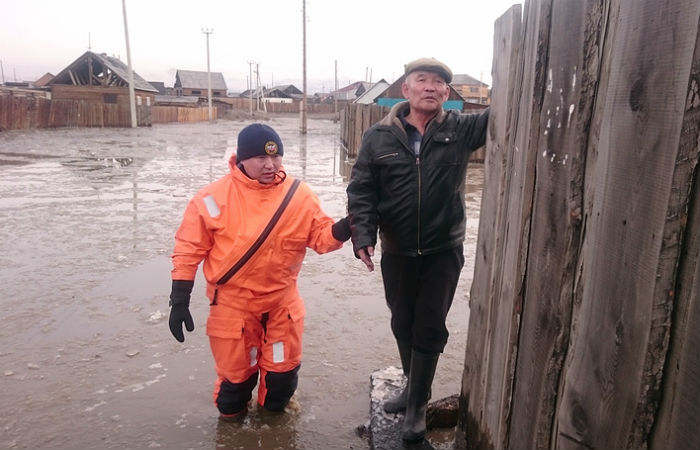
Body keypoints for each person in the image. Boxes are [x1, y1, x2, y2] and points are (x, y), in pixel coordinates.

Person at [346, 57, 489, 442]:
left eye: (439, 82)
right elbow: (362, 190)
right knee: (401, 321)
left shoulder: (461, 128)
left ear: (446, 92)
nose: (431, 86)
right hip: (397, 250)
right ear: (405, 89)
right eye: (422, 80)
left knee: (429, 325)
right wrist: (363, 236)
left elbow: (508, 111)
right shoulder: (378, 136)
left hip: (444, 249)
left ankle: (417, 408)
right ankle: (412, 386)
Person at [168, 123, 351, 419]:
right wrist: (179, 299)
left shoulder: (299, 195)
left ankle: (271, 431)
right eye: (261, 159)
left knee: (281, 383)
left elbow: (321, 238)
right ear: (241, 159)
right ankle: (232, 432)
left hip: (282, 305)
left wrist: (345, 228)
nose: (270, 165)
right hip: (232, 308)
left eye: (276, 157)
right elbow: (188, 250)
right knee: (235, 388)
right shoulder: (211, 199)